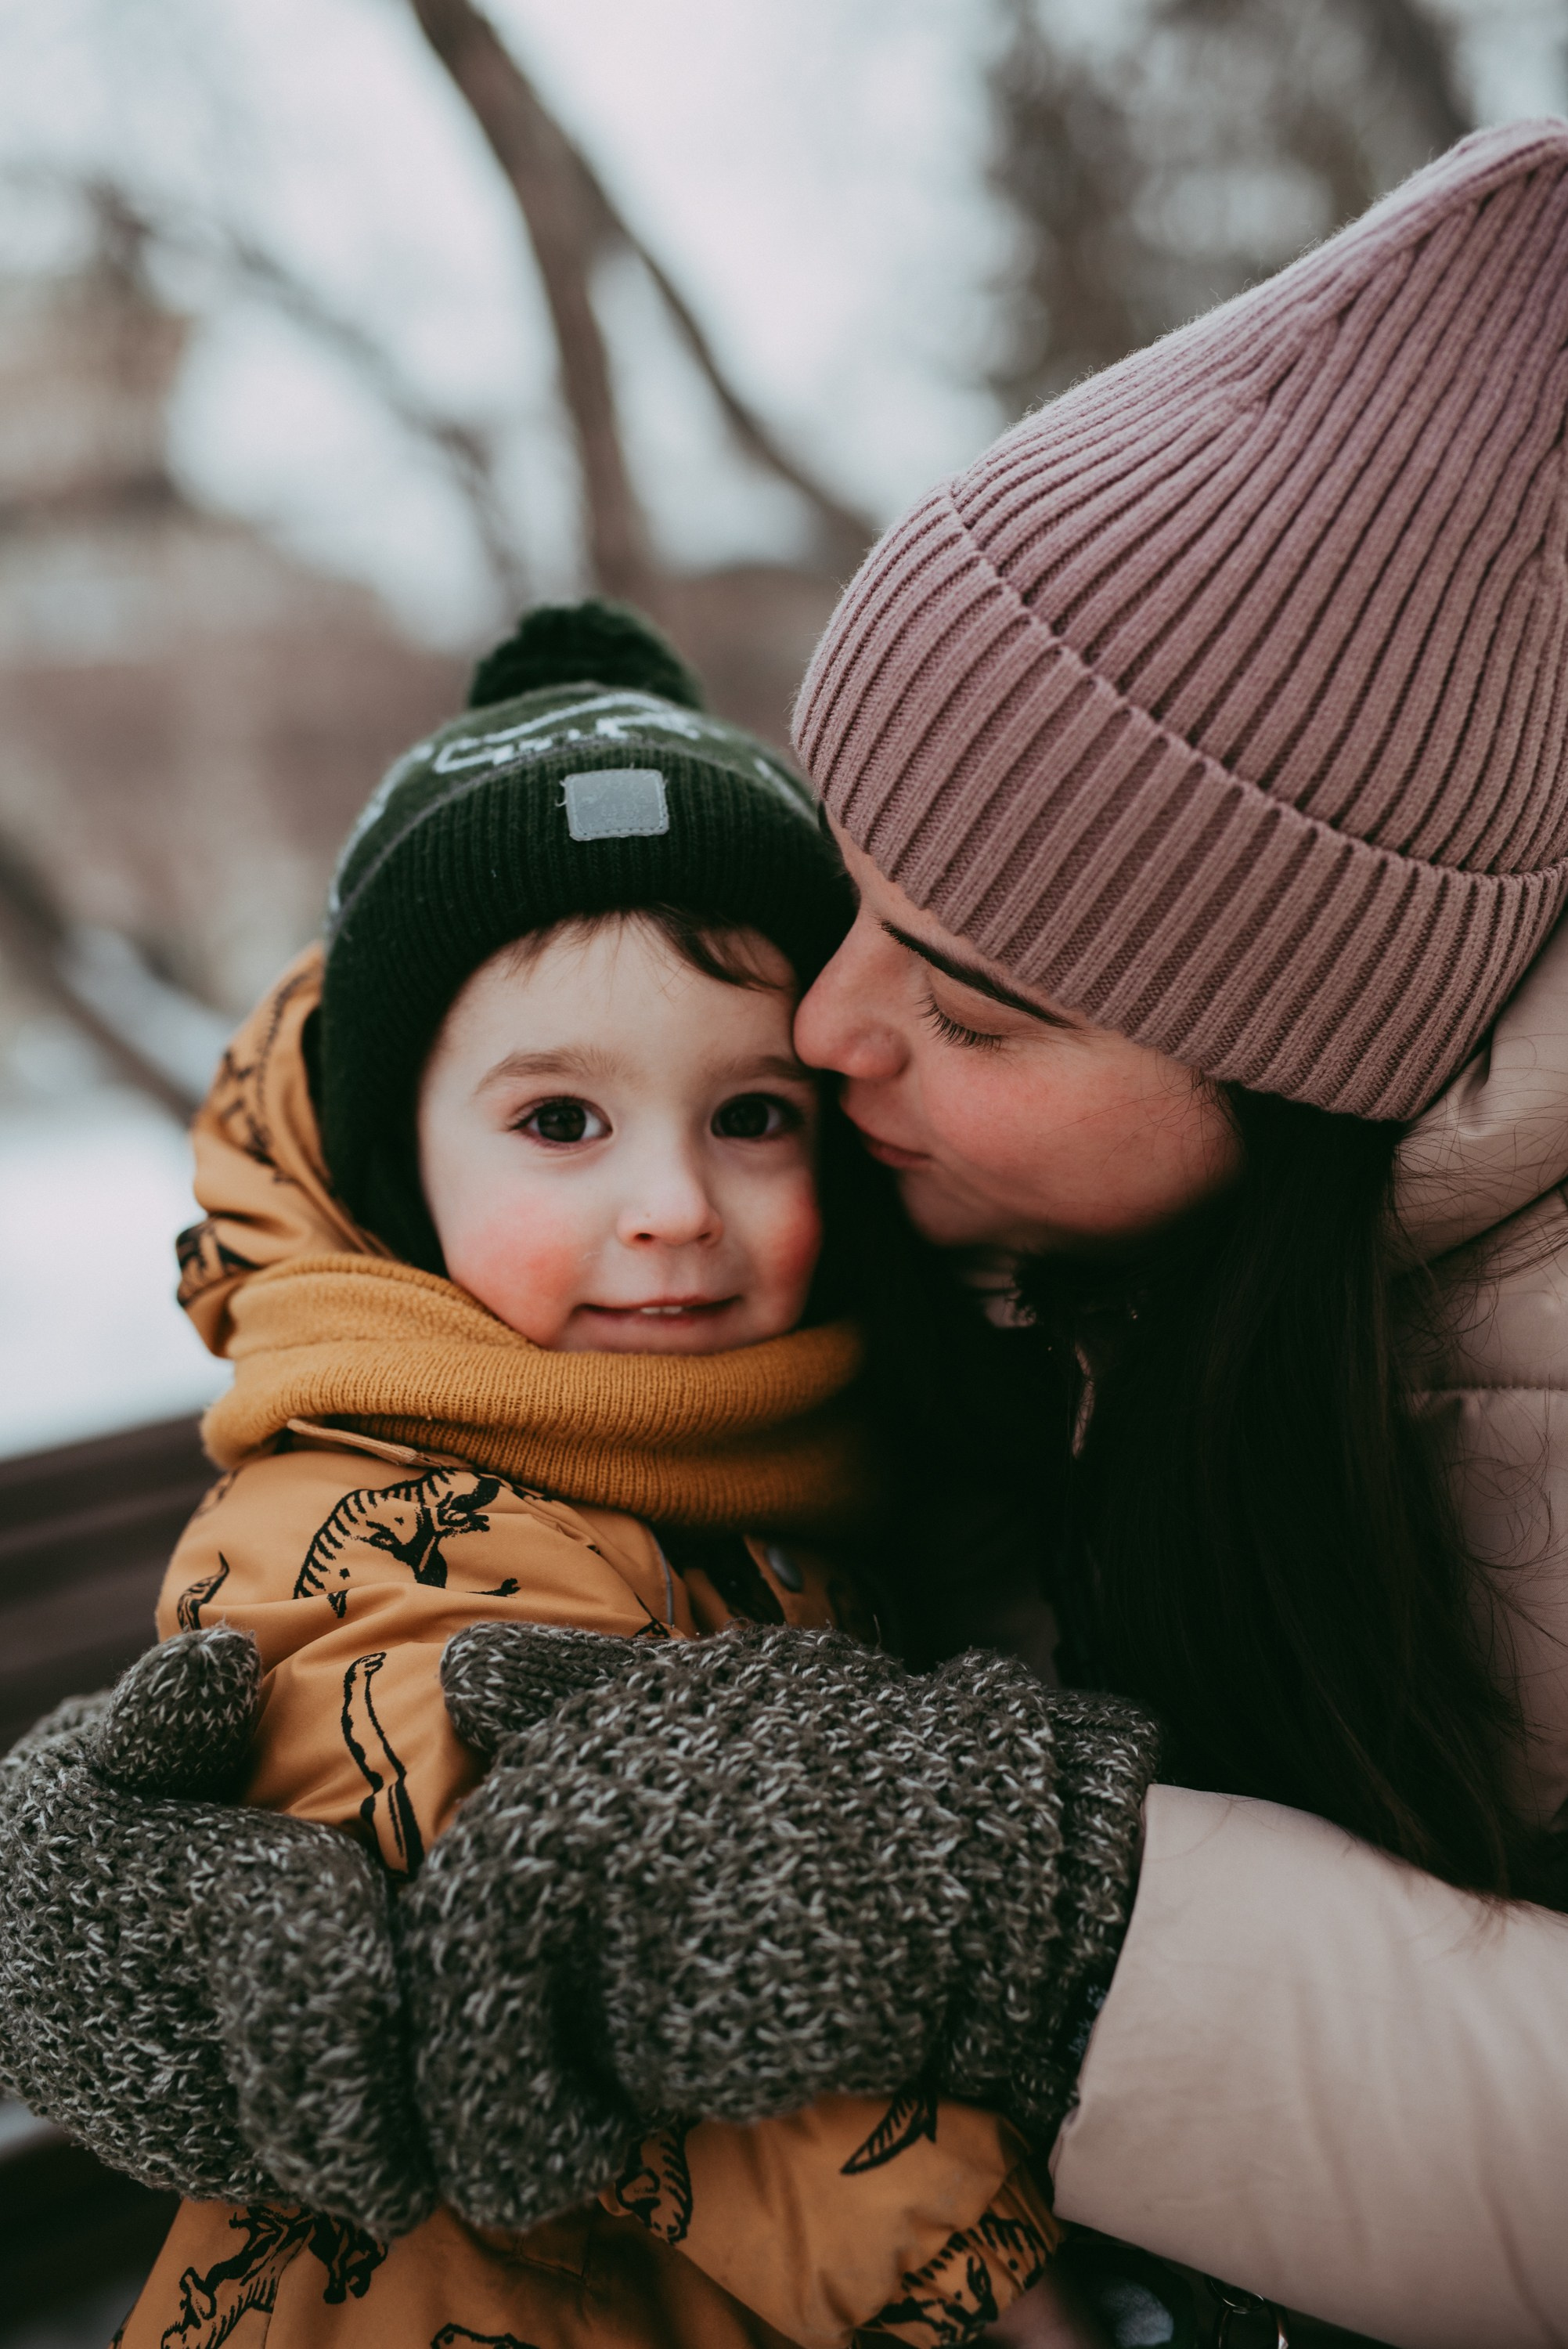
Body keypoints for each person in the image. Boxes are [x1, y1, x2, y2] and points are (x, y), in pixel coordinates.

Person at [9, 119, 1568, 2349]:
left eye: (973, 999)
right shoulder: (966, 1249)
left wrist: (1043, 1913)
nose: (829, 1041)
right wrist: (145, 1905)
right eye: (863, 915)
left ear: (1301, 1073)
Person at [53, 598, 1134, 2349]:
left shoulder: (802, 1446)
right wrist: (984, 2286)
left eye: (751, 1115)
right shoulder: (380, 1508)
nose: (674, 1208)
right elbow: (559, 1962)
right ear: (401, 1163)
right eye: (561, 1123)